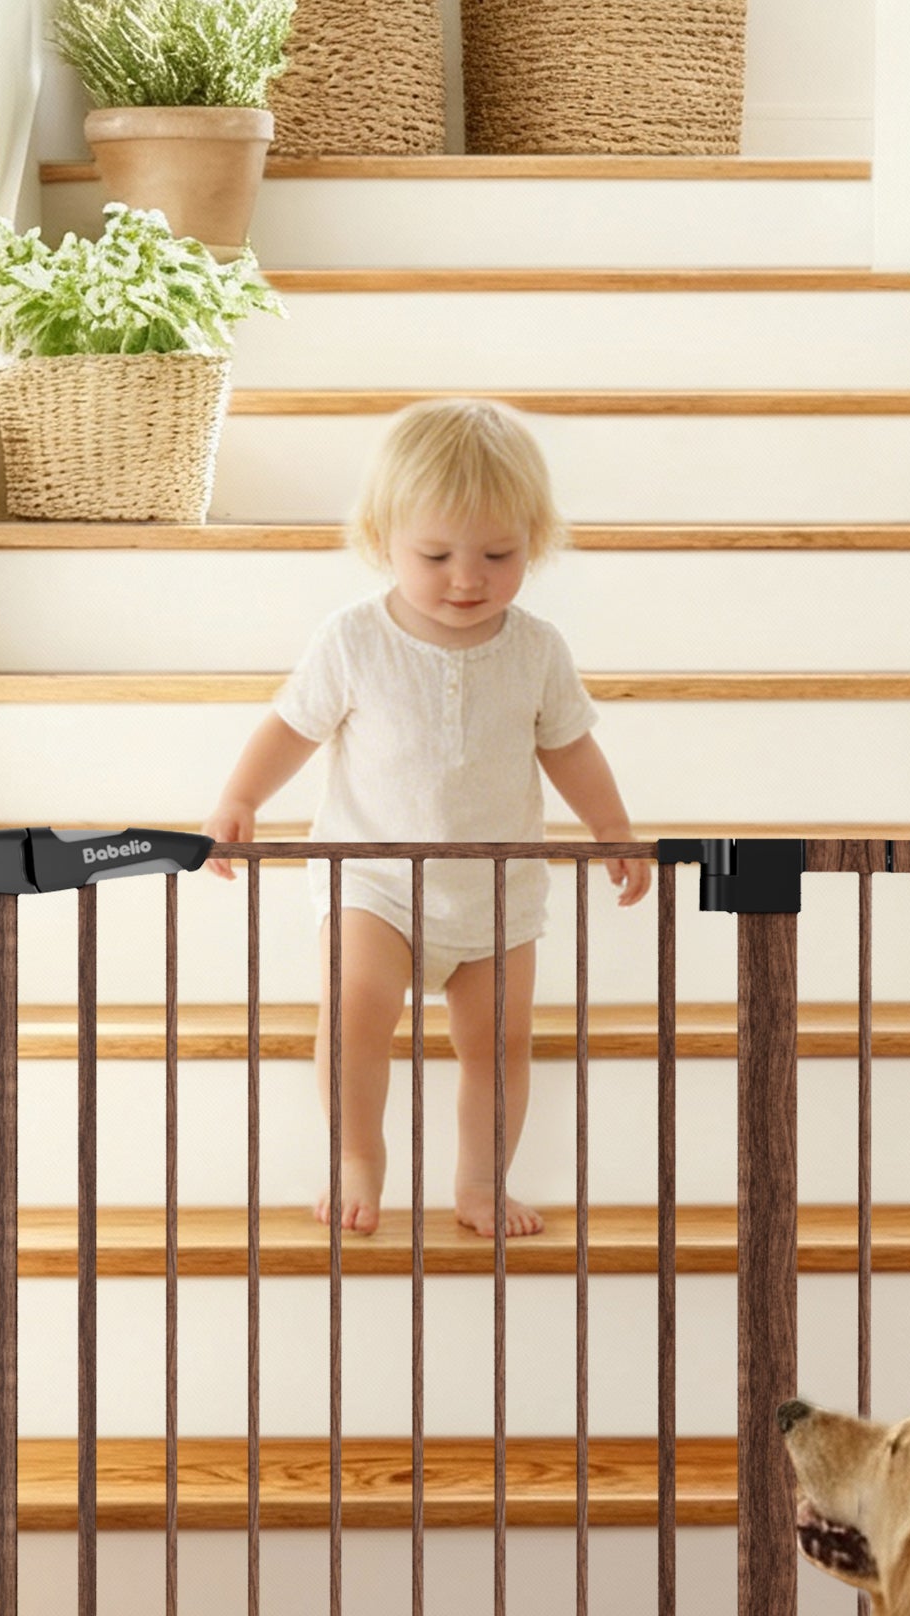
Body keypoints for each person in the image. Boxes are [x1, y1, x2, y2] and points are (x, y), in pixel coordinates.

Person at [203, 398, 650, 1237]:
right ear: (382, 540)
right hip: (373, 878)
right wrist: (241, 799)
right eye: (437, 554)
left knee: (500, 1046)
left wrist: (613, 830)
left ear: (537, 543)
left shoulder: (536, 650)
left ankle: (482, 1181)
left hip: (496, 891)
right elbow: (292, 727)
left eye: (499, 554)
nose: (468, 578)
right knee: (356, 1010)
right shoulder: (354, 641)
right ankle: (356, 1157)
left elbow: (571, 750)